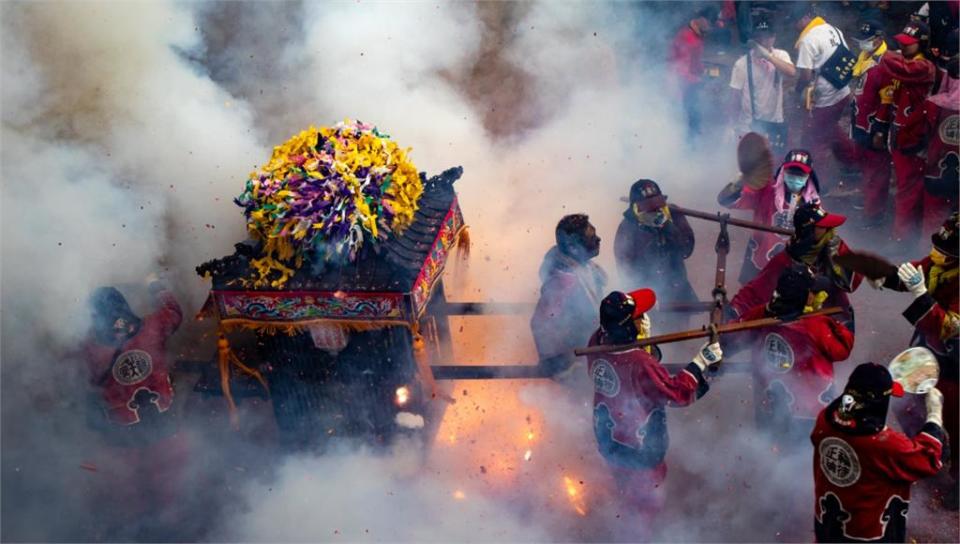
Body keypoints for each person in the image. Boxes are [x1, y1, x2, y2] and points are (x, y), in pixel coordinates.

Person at [587, 289, 721, 539]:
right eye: (639, 317)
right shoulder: (640, 363)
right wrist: (700, 363)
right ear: (630, 326)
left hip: (608, 440)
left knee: (625, 492)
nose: (644, 317)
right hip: (640, 449)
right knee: (644, 508)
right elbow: (675, 394)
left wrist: (643, 340)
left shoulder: (595, 343)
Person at [80, 276, 188, 539]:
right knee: (168, 490)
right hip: (163, 425)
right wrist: (155, 285)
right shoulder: (153, 326)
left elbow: (78, 378)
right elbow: (174, 311)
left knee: (128, 498)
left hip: (121, 434)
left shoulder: (90, 350)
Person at [877, 212, 959, 509]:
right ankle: (935, 446)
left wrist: (922, 294)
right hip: (929, 350)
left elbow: (950, 327)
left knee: (957, 420)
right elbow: (913, 273)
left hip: (955, 363)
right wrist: (880, 275)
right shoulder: (943, 262)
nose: (936, 253)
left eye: (945, 250)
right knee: (903, 400)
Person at [812, 363, 945, 542]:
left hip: (827, 524)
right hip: (867, 534)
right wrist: (935, 414)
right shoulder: (884, 445)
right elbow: (927, 459)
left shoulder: (825, 420)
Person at [732, 266, 853, 448]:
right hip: (811, 409)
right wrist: (839, 324)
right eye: (811, 291)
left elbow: (737, 334)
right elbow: (842, 349)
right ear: (806, 297)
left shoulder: (763, 315)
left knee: (773, 447)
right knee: (805, 454)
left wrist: (765, 309)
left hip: (773, 400)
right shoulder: (817, 326)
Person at [730, 202, 863, 330]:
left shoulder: (833, 247)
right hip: (796, 324)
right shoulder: (785, 260)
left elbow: (853, 283)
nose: (831, 230)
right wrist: (733, 310)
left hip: (833, 318)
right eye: (824, 227)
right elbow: (756, 291)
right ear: (809, 231)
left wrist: (836, 257)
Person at [719, 146, 821, 283]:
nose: (795, 178)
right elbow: (726, 200)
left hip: (791, 269)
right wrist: (741, 180)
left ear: (809, 176)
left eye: (801, 174)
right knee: (750, 300)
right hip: (758, 262)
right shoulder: (766, 191)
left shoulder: (813, 205)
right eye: (791, 172)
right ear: (783, 171)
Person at [875, 21, 937, 246]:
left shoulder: (924, 67)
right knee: (908, 187)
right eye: (901, 43)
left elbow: (900, 68)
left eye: (907, 44)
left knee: (907, 189)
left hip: (914, 137)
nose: (902, 47)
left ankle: (901, 238)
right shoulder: (907, 62)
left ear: (921, 44)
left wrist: (883, 52)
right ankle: (908, 234)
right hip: (900, 134)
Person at [614, 179, 696, 330]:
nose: (655, 212)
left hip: (678, 287)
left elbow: (686, 250)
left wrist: (668, 227)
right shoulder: (627, 229)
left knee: (681, 334)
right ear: (636, 209)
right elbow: (627, 271)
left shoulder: (674, 215)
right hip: (649, 294)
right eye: (649, 209)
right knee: (655, 337)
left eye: (657, 207)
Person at [531, 214, 607, 378]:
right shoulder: (563, 280)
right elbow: (541, 322)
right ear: (573, 247)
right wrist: (559, 365)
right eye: (591, 237)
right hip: (578, 363)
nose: (598, 239)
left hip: (588, 356)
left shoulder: (586, 268)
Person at [794, 4, 857, 194]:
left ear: (806, 18)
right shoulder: (832, 29)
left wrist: (797, 92)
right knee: (831, 128)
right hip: (843, 91)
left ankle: (819, 182)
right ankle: (852, 162)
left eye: (797, 21)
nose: (796, 26)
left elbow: (805, 76)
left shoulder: (808, 40)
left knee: (816, 139)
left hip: (825, 98)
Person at [849, 19, 895, 227]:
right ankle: (867, 199)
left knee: (877, 170)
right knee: (865, 165)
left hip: (874, 125)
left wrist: (879, 130)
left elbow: (888, 100)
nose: (862, 44)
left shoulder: (887, 62)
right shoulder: (865, 56)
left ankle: (873, 215)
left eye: (866, 40)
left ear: (879, 39)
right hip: (860, 121)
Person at [729, 16, 796, 153]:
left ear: (774, 37)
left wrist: (768, 56)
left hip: (775, 122)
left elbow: (791, 72)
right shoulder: (742, 64)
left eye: (767, 37)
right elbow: (734, 97)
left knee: (773, 164)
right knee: (750, 166)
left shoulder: (781, 55)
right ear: (754, 40)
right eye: (759, 38)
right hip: (748, 126)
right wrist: (730, 125)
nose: (764, 41)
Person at [920, 53, 958, 234]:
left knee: (933, 224)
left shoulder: (933, 104)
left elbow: (915, 136)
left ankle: (926, 256)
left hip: (937, 174)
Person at [669, 5, 720, 139]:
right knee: (684, 119)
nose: (710, 28)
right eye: (710, 23)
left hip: (690, 84)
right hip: (679, 86)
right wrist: (700, 81)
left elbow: (694, 62)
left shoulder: (698, 35)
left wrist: (706, 72)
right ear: (702, 19)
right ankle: (687, 148)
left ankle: (694, 142)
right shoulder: (687, 37)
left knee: (695, 116)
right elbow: (680, 69)